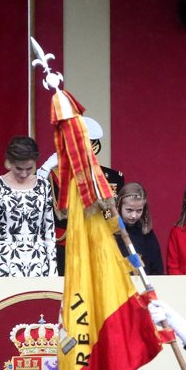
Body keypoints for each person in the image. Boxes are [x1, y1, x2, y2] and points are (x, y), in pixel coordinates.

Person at [37, 116, 124, 275]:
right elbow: (32, 201)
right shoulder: (52, 175)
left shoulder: (112, 178)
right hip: (62, 248)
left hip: (96, 245)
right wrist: (43, 169)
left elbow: (111, 217)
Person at [0, 136, 57, 277]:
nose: (24, 174)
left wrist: (52, 271)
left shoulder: (43, 185)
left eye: (29, 168)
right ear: (9, 162)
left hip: (39, 264)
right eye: (19, 168)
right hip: (5, 264)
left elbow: (49, 232)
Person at [115, 182, 164, 275]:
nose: (134, 215)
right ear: (119, 206)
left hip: (143, 284)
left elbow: (156, 266)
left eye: (139, 210)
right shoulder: (111, 231)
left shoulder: (146, 232)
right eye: (129, 210)